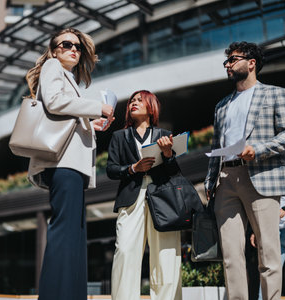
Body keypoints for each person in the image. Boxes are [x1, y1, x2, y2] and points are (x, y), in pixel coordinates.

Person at [25, 28, 115, 300]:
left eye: (77, 46)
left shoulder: (70, 79)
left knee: (74, 233)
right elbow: (53, 102)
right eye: (66, 44)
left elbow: (65, 114)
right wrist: (96, 108)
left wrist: (92, 124)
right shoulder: (52, 66)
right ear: (53, 50)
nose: (73, 49)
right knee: (65, 231)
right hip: (63, 164)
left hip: (72, 165)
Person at [204, 41, 285, 300]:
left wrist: (258, 149)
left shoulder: (276, 94)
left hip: (261, 175)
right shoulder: (221, 105)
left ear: (251, 63)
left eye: (233, 59)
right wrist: (211, 184)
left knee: (268, 253)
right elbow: (216, 145)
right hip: (226, 179)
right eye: (227, 61)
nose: (228, 65)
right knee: (232, 255)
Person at [107, 90, 182, 300]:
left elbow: (175, 171)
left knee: (165, 253)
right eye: (132, 100)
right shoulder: (119, 136)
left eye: (140, 100)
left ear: (151, 107)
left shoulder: (164, 134)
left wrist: (168, 155)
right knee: (124, 251)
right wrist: (133, 168)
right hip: (130, 198)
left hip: (162, 198)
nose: (133, 103)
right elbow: (111, 169)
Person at [251, 148, 285, 299]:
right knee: (269, 273)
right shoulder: (271, 178)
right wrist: (258, 230)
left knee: (269, 272)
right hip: (273, 231)